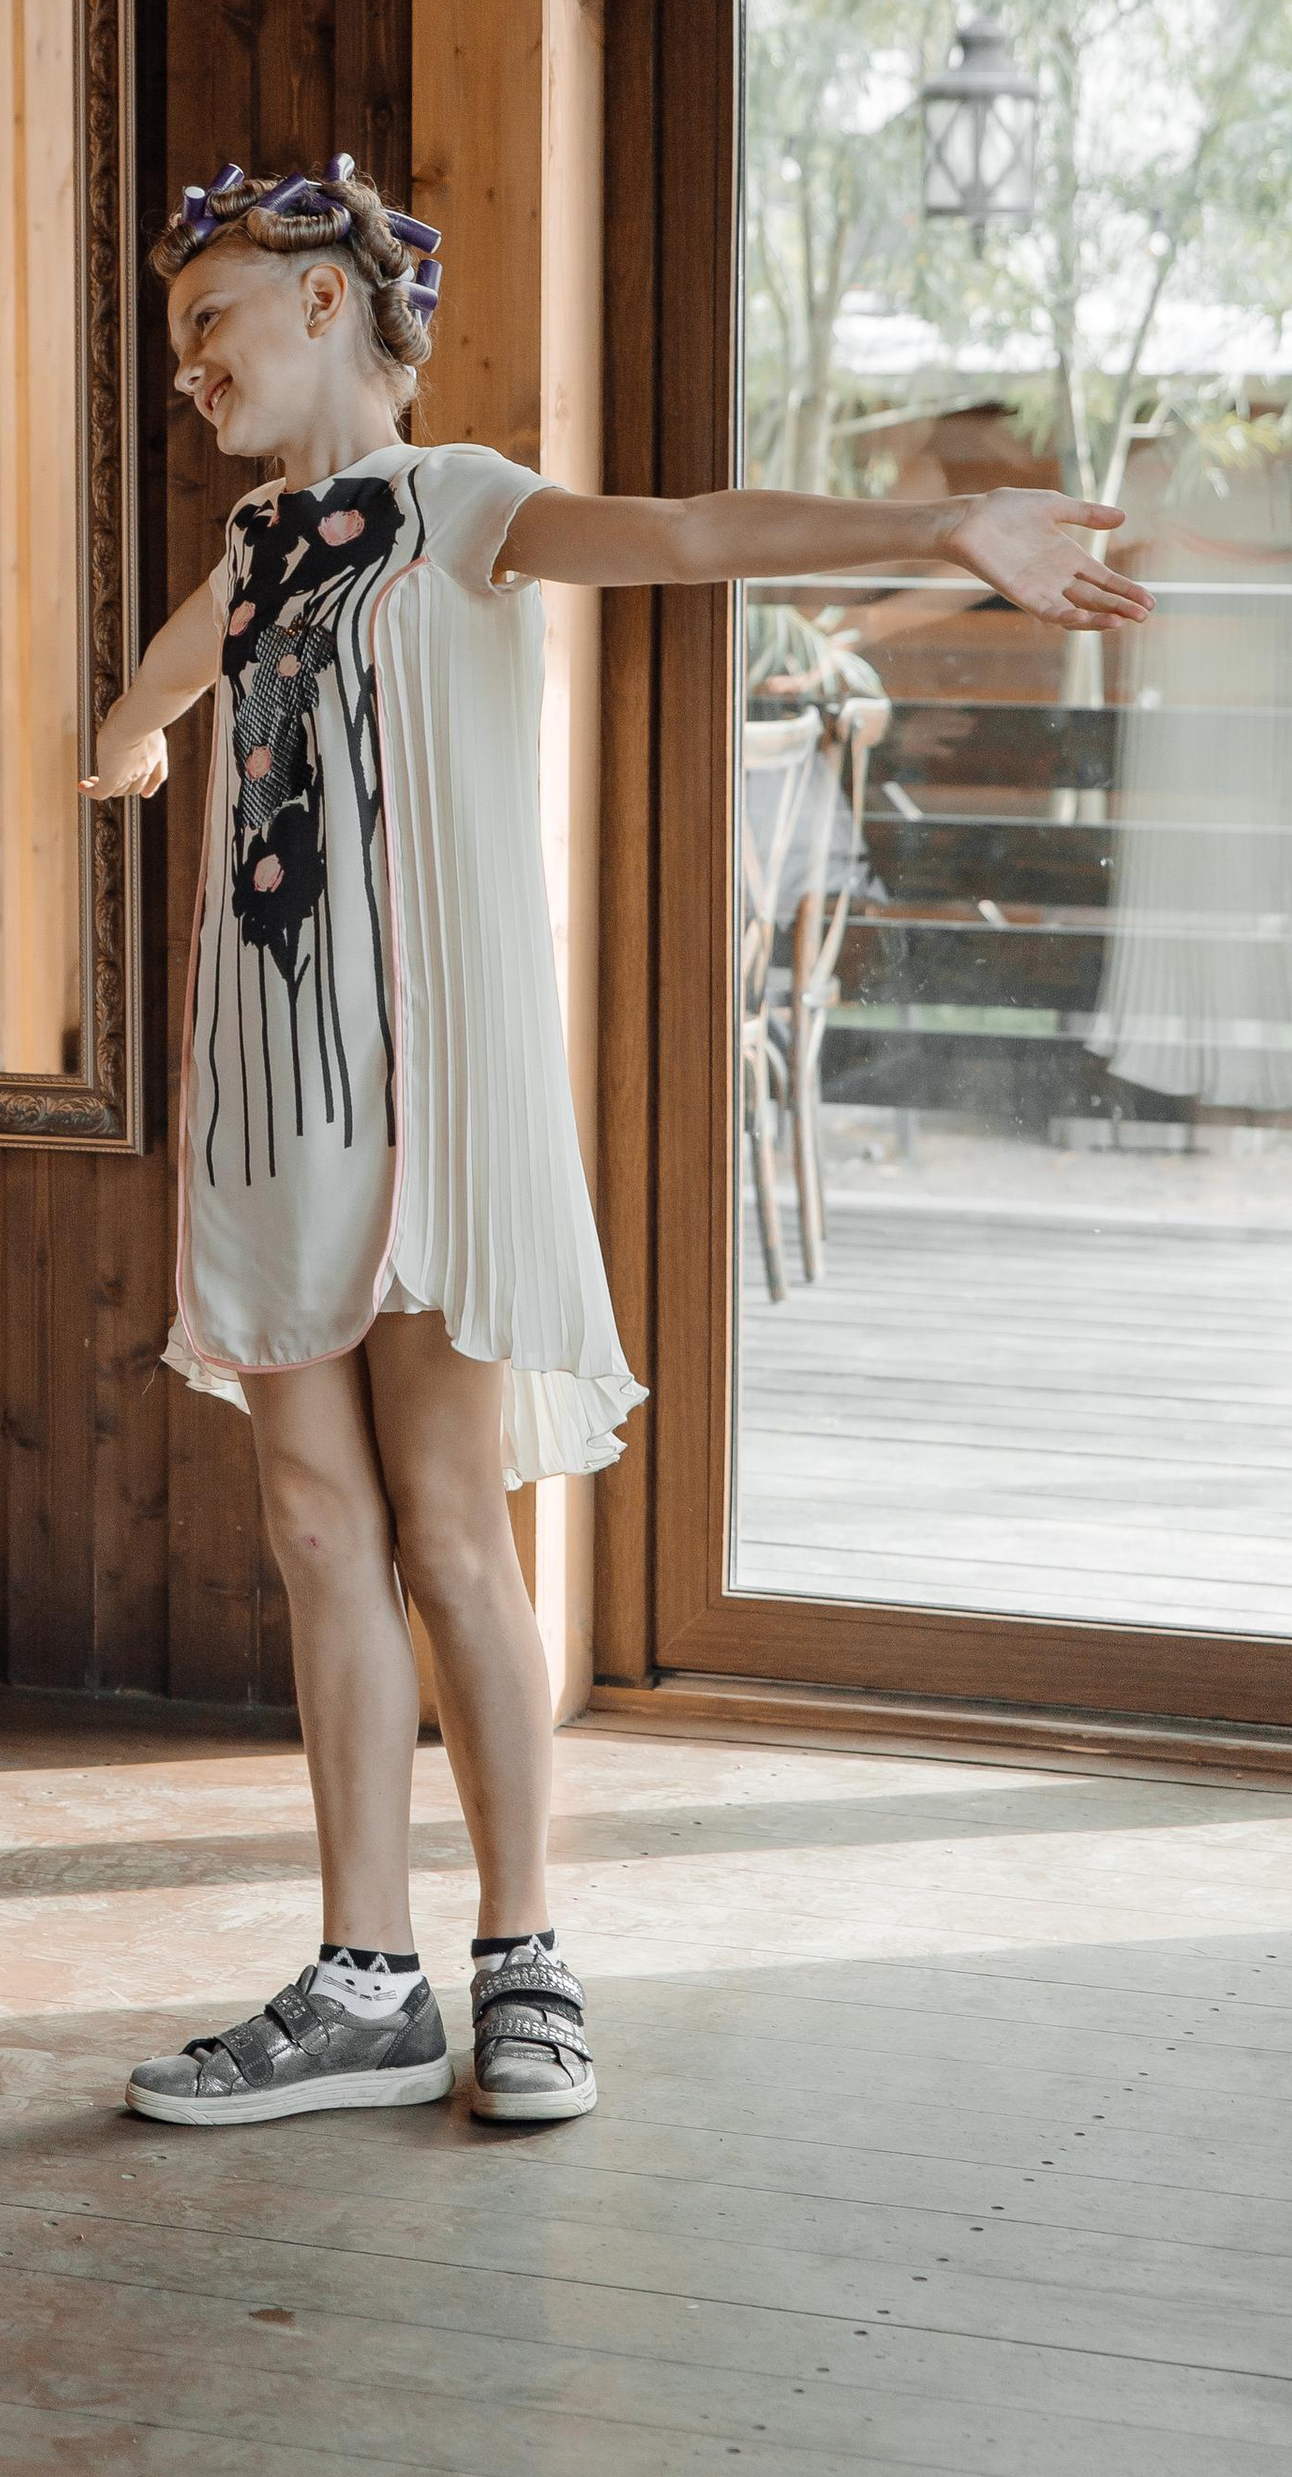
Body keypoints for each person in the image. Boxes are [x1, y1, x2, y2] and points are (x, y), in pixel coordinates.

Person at [83, 155, 1151, 2129]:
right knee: (311, 1525)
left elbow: (676, 528)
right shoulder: (251, 542)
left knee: (446, 1523)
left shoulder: (457, 502)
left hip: (433, 1103)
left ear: (321, 303)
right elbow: (174, 664)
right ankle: (358, 1974)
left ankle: (518, 1950)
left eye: (205, 324)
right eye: (173, 342)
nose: (186, 367)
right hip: (267, 1105)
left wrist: (933, 522)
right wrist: (136, 735)